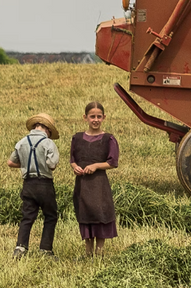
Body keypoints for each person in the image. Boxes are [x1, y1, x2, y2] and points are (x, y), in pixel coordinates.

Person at [8, 113, 60, 258]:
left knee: (27, 216)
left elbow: (11, 162)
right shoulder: (49, 143)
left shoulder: (22, 142)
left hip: (28, 184)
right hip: (44, 184)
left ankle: (21, 248)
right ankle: (45, 249)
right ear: (48, 129)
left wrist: (26, 164)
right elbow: (52, 165)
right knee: (50, 216)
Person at [70, 100, 119, 257]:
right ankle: (88, 251)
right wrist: (74, 167)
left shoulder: (108, 139)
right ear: (85, 117)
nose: (95, 120)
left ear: (104, 117)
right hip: (82, 184)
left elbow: (113, 162)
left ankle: (99, 252)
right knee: (85, 214)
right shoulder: (77, 138)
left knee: (100, 214)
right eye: (92, 117)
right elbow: (72, 159)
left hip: (99, 185)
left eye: (99, 116)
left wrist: (96, 166)